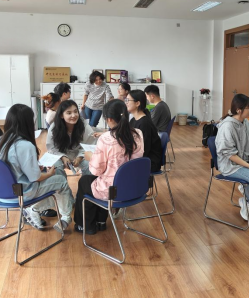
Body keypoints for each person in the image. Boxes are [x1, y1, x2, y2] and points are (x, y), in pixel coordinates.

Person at [0, 104, 75, 232]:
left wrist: (34, 168)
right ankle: (65, 217)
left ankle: (35, 210)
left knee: (55, 185)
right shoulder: (25, 145)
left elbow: (10, 168)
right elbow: (35, 178)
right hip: (19, 194)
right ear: (28, 123)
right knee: (61, 181)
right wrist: (49, 173)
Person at [74, 100, 144, 235]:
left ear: (109, 119)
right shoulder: (138, 134)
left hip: (115, 191)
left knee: (85, 181)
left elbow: (96, 170)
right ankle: (101, 221)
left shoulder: (106, 138)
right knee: (100, 180)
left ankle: (85, 225)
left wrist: (90, 157)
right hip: (134, 186)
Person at [46, 100, 98, 178]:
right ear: (61, 115)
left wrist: (79, 157)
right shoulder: (54, 127)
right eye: (69, 113)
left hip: (79, 155)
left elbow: (90, 145)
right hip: (60, 155)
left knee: (90, 166)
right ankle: (63, 185)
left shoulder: (84, 125)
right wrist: (63, 157)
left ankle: (85, 184)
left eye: (75, 112)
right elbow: (52, 147)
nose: (73, 115)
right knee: (55, 166)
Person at [126, 90, 162, 173]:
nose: (126, 103)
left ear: (137, 103)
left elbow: (144, 149)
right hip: (141, 157)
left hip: (149, 161)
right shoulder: (133, 120)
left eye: (128, 100)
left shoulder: (144, 123)